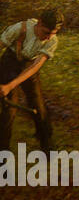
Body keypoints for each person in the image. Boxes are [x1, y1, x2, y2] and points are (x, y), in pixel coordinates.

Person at [0, 8, 63, 152]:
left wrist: (10, 85)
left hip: (29, 67)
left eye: (53, 33)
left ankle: (46, 145)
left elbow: (35, 67)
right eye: (46, 32)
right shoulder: (19, 29)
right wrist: (7, 86)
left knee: (39, 106)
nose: (49, 37)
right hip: (9, 64)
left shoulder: (52, 41)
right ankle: (3, 153)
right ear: (39, 23)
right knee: (9, 109)